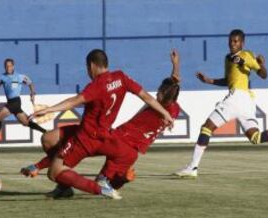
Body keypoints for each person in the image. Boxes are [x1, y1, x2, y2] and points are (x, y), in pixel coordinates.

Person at [22, 49, 182, 198]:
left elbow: (74, 101)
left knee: (54, 172)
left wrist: (49, 109)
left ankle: (99, 188)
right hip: (104, 134)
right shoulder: (121, 78)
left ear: (91, 65)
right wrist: (165, 111)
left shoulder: (97, 85)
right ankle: (68, 187)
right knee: (49, 138)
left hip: (87, 137)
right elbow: (151, 95)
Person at [175, 29, 268, 178]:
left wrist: (258, 64)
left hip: (238, 97)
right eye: (230, 41)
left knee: (207, 127)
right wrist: (210, 80)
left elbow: (263, 75)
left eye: (235, 41)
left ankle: (193, 167)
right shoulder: (228, 58)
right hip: (246, 101)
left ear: (242, 43)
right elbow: (229, 80)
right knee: (255, 138)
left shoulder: (246, 55)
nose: (232, 44)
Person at [0, 58, 46, 146]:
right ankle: (45, 132)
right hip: (10, 102)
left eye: (9, 66)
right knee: (25, 122)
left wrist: (32, 93)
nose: (8, 68)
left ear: (13, 66)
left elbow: (30, 83)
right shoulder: (2, 77)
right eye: (6, 66)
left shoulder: (20, 76)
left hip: (15, 102)